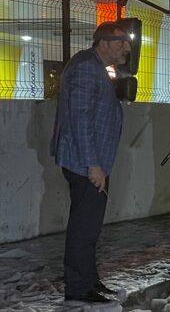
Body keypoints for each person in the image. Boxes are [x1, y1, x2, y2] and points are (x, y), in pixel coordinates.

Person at [50, 21, 131, 304]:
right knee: (84, 228)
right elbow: (80, 119)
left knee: (89, 227)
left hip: (89, 161)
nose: (127, 48)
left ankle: (89, 281)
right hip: (85, 163)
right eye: (121, 41)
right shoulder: (86, 67)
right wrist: (93, 165)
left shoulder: (93, 65)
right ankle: (78, 289)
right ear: (104, 42)